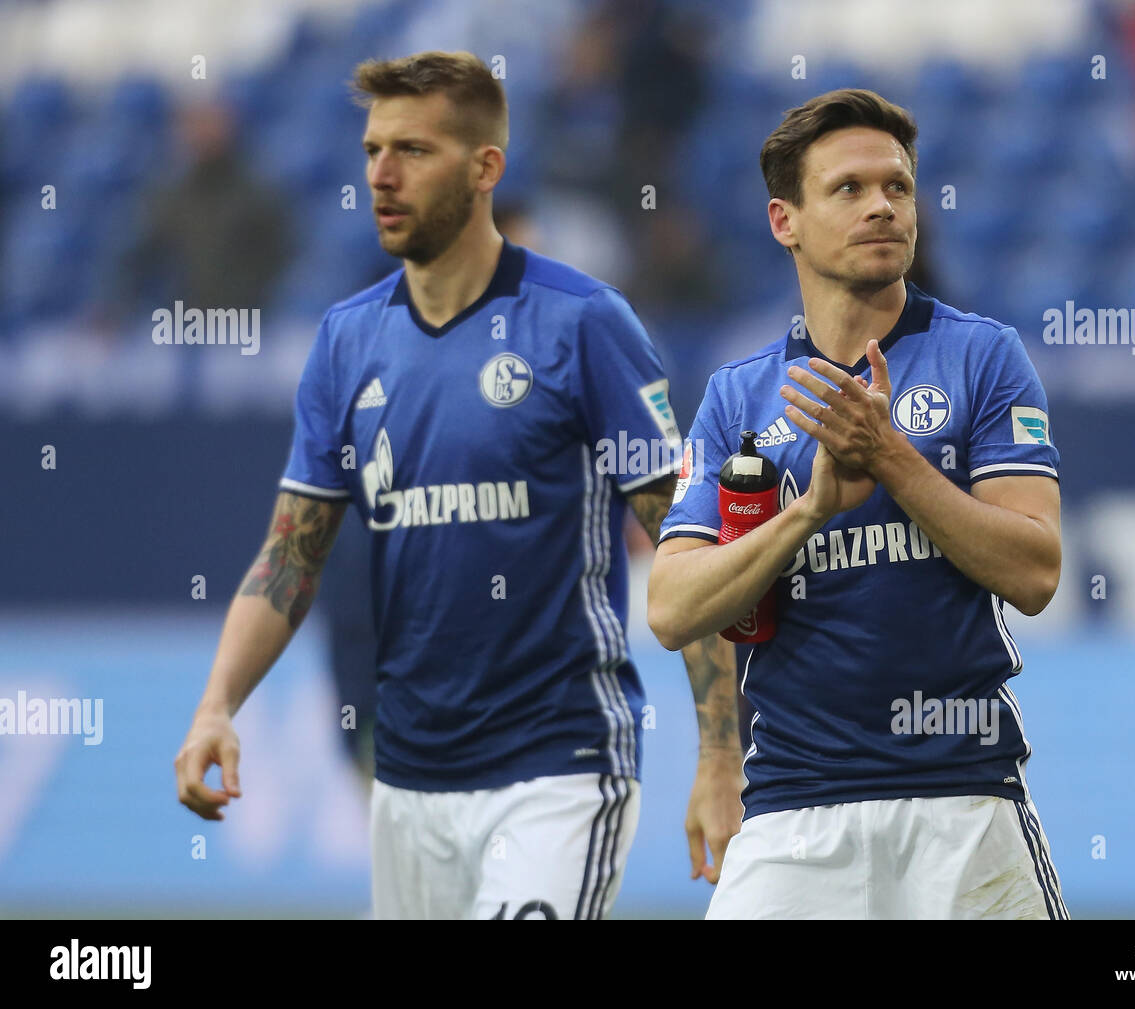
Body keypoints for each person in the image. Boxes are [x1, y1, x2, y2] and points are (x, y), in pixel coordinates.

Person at [174, 51, 743, 920]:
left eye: (413, 149)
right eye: (371, 150)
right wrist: (217, 703)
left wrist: (719, 757)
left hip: (560, 767)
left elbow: (688, 544)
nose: (382, 175)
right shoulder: (347, 342)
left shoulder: (584, 324)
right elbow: (289, 557)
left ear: (486, 168)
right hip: (409, 783)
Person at [648, 88, 1068, 920]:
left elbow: (1035, 570)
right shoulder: (740, 395)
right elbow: (671, 607)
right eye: (848, 188)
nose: (882, 205)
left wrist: (893, 461)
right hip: (791, 816)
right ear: (785, 221)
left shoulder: (983, 357)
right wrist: (806, 512)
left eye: (898, 187)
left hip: (963, 805)